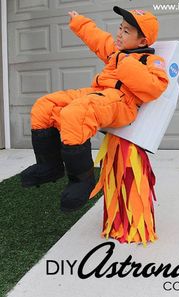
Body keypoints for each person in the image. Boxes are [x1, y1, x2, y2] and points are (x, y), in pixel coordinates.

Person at [20, 6, 169, 212]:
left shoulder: (151, 60)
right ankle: (50, 166)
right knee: (46, 105)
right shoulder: (116, 51)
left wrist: (124, 62)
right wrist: (79, 21)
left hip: (122, 103)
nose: (119, 33)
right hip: (98, 93)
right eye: (120, 27)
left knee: (76, 112)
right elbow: (97, 38)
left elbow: (154, 88)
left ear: (143, 41)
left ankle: (82, 180)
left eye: (126, 31)